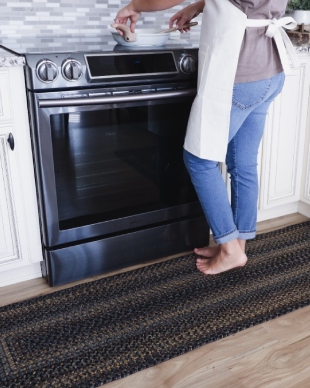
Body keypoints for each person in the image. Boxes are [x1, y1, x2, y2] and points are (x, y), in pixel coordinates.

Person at [115, 0, 298, 275]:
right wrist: (200, 5)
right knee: (243, 163)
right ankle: (237, 245)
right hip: (270, 69)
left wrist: (135, 5)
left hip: (241, 74)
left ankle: (229, 249)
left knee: (198, 159)